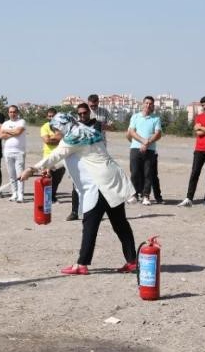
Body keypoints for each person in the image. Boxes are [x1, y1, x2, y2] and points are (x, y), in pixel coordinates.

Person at [19, 112, 137, 275]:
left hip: (99, 184)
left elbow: (57, 154)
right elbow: (74, 157)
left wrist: (32, 169)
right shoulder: (85, 130)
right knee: (120, 223)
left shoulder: (72, 137)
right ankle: (132, 261)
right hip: (112, 178)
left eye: (56, 129)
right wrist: (50, 167)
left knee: (90, 223)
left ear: (63, 126)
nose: (55, 133)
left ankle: (82, 264)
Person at [65, 103, 104, 221]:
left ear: (89, 112)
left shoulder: (97, 124)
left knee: (94, 187)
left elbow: (91, 138)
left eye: (84, 113)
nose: (82, 115)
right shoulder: (74, 125)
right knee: (76, 186)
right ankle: (74, 211)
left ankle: (93, 212)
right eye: (80, 113)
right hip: (78, 160)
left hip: (92, 160)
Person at [127, 95, 163, 205]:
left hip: (150, 149)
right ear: (142, 104)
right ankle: (134, 195)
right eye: (146, 103)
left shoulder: (156, 118)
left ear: (153, 106)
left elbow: (158, 134)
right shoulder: (135, 117)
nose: (148, 105)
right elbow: (131, 132)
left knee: (148, 173)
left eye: (150, 104)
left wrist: (148, 143)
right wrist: (143, 141)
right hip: (135, 148)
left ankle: (146, 196)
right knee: (134, 172)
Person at [0, 105, 27, 202]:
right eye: (10, 112)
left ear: (17, 112)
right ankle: (14, 193)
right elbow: (0, 135)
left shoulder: (21, 122)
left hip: (19, 152)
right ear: (8, 113)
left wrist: (6, 131)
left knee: (20, 175)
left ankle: (20, 195)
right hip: (7, 152)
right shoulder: (5, 123)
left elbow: (18, 132)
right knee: (11, 174)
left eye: (14, 112)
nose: (12, 114)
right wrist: (13, 131)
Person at [40, 106, 66, 200]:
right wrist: (59, 139)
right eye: (49, 116)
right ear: (47, 117)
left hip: (61, 156)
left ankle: (53, 195)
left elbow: (65, 139)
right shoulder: (44, 127)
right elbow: (47, 141)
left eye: (53, 116)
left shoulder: (62, 127)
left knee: (58, 178)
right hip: (48, 156)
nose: (51, 118)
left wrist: (55, 139)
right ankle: (47, 197)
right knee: (48, 177)